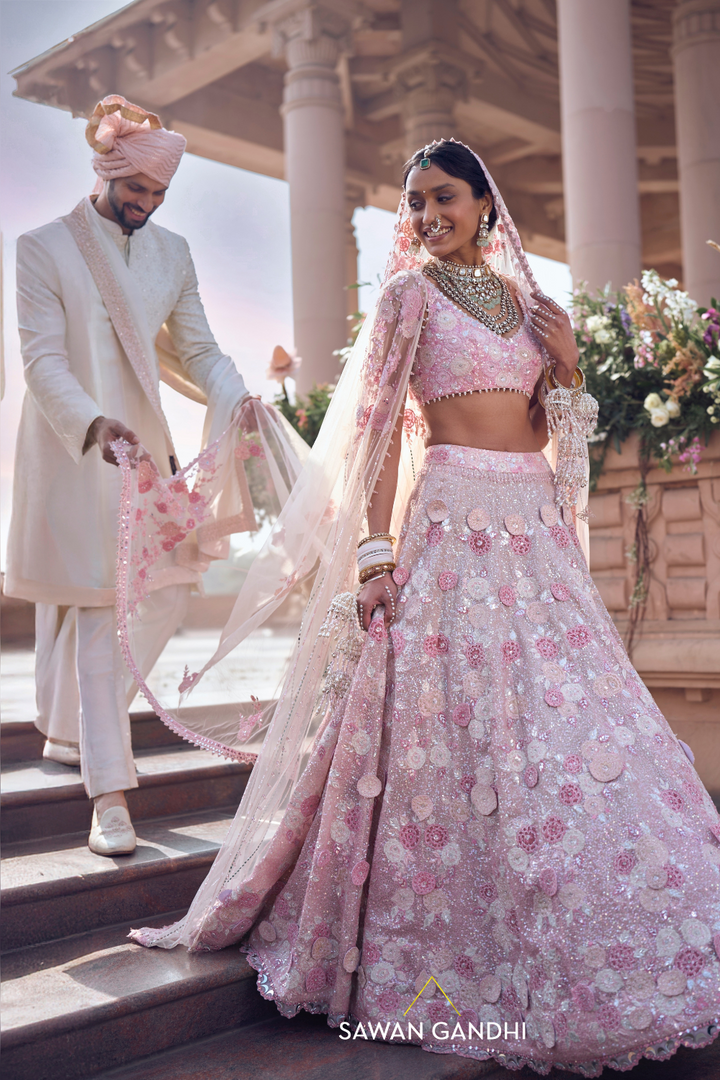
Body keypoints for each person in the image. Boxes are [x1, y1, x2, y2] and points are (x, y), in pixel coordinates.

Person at [126, 141, 720, 1073]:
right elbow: (370, 440)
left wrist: (566, 369)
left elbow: (558, 445)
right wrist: (373, 555)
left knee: (568, 730)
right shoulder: (408, 298)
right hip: (450, 524)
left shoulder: (531, 307)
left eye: (443, 195)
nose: (427, 212)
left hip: (531, 529)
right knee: (464, 725)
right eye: (415, 201)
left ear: (486, 203)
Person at [4, 95, 252, 856]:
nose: (144, 205)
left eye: (158, 196)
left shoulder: (172, 252)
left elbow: (200, 350)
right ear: (105, 170)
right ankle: (109, 796)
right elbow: (41, 358)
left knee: (169, 593)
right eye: (134, 190)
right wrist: (90, 421)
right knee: (98, 614)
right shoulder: (42, 247)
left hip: (148, 453)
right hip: (74, 446)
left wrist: (236, 392)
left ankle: (81, 728)